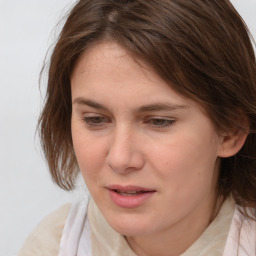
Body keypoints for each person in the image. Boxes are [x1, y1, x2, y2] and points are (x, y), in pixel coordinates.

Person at [19, 0, 256, 255]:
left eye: (159, 121)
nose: (120, 159)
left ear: (231, 131)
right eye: (95, 119)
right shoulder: (50, 246)